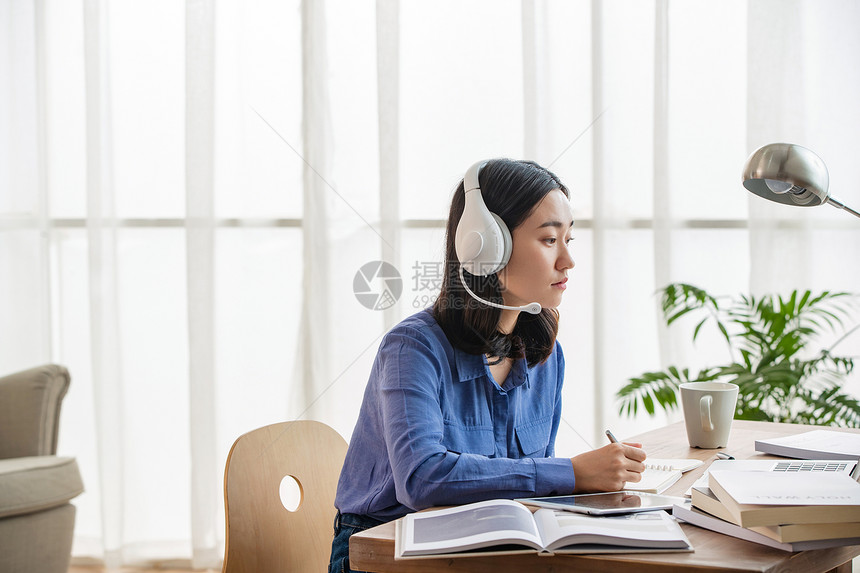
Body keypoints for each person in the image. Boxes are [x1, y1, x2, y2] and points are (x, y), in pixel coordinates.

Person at [328, 158, 646, 573]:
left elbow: (527, 486)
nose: (568, 260)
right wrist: (571, 473)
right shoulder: (412, 349)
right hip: (387, 549)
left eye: (570, 239)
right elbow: (422, 478)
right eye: (550, 240)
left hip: (487, 547)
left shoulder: (545, 355)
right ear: (485, 247)